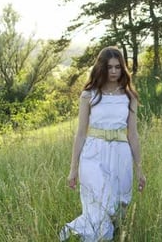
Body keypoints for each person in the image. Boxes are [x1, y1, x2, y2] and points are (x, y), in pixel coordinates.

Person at [59, 46, 146, 242]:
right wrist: (73, 169)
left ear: (123, 68)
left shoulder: (129, 96)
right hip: (93, 154)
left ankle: (89, 235)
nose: (114, 71)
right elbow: (80, 134)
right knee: (100, 203)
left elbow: (133, 134)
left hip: (120, 154)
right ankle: (78, 234)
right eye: (109, 67)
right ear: (101, 68)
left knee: (117, 207)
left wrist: (139, 169)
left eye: (118, 67)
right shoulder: (89, 95)